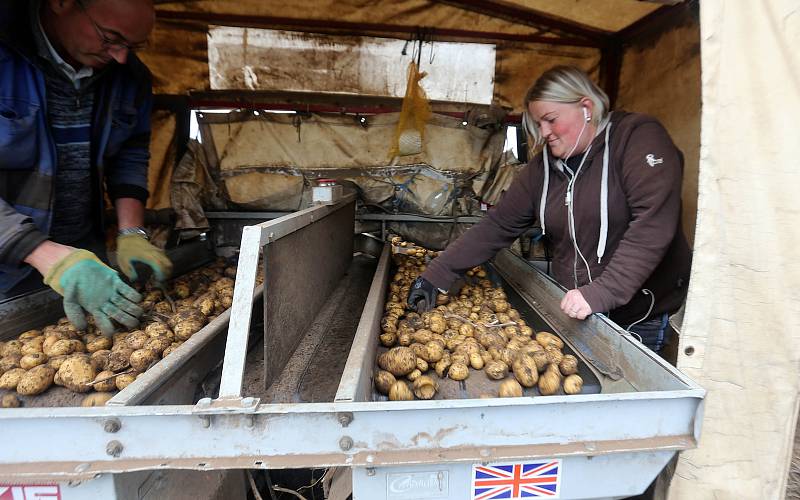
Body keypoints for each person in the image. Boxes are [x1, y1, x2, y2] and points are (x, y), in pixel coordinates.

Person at [408, 66, 691, 353]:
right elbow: (497, 226)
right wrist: (437, 274)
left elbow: (653, 224)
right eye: (537, 124)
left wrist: (602, 292)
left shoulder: (638, 139)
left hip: (638, 314)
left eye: (550, 120)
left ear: (586, 107)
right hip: (578, 309)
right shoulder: (543, 168)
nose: (544, 133)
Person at [0, 0, 172, 336]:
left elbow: (130, 153)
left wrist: (131, 233)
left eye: (133, 46)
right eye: (111, 38)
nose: (121, 56)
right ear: (62, 3)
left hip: (83, 260)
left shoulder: (128, 76)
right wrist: (39, 251)